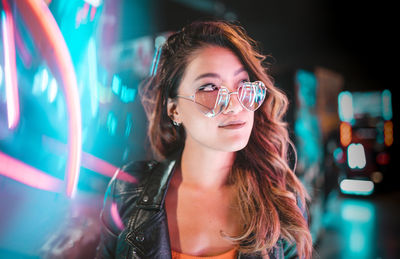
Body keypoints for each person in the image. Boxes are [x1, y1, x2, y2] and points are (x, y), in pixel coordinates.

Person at [96, 20, 312, 259]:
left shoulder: (279, 204)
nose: (234, 105)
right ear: (174, 109)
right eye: (210, 87)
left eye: (242, 84)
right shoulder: (128, 191)